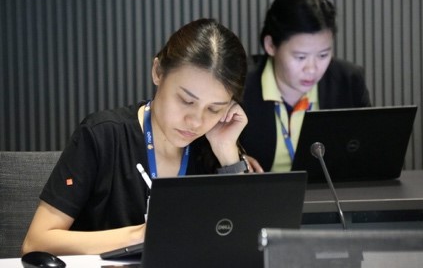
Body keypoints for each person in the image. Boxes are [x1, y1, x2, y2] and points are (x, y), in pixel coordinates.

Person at [22, 18, 257, 256]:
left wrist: (228, 153)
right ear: (158, 72)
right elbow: (36, 243)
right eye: (186, 101)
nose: (196, 121)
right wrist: (141, 235)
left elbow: (250, 243)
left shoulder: (213, 145)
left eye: (214, 109)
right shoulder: (103, 135)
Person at [240, 0, 371, 173]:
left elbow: (369, 153)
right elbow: (205, 156)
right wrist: (236, 159)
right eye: (300, 57)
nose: (312, 68)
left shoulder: (348, 82)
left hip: (331, 197)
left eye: (323, 55)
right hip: (260, 198)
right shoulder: (239, 85)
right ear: (270, 45)